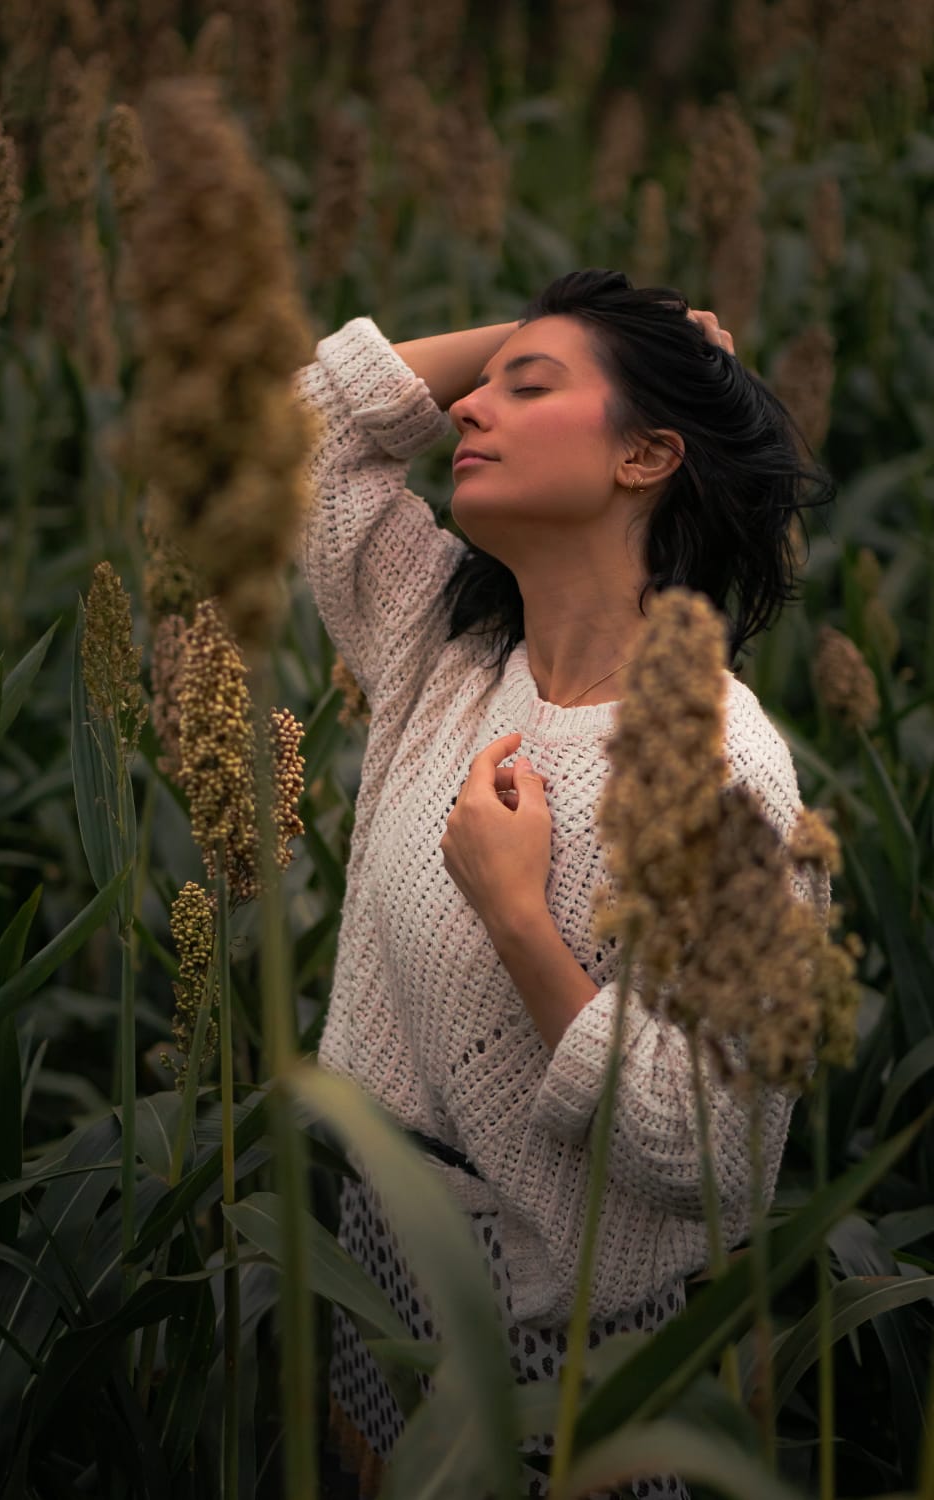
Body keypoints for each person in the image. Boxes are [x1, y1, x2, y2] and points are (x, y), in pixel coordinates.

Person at [292, 269, 833, 1499]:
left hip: (557, 1345)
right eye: (480, 386)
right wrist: (563, 333)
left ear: (646, 456)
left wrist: (519, 921)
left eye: (526, 389)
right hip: (379, 1260)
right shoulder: (448, 650)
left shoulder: (717, 768)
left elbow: (716, 1151)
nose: (467, 408)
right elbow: (306, 430)